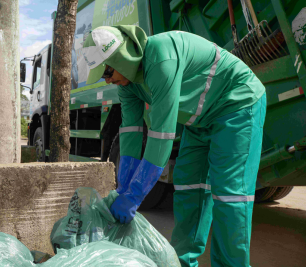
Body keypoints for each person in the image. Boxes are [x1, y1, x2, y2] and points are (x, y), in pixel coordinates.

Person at [82, 25, 266, 267]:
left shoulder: (160, 57)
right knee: (189, 188)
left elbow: (161, 136)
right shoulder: (127, 84)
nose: (107, 79)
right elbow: (131, 133)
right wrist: (124, 189)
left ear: (122, 57)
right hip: (199, 122)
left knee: (229, 196)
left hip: (237, 104)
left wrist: (136, 195)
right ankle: (181, 263)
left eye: (107, 71)